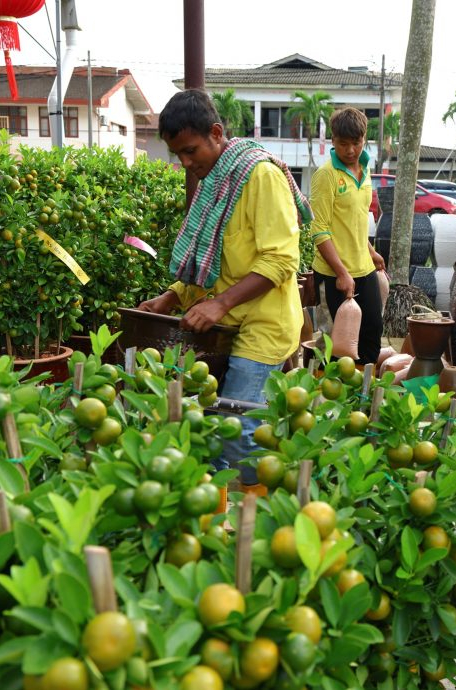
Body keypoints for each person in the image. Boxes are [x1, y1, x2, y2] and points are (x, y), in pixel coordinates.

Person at [138, 89, 310, 492]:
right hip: (226, 326)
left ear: (216, 133)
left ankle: (252, 519)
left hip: (264, 325)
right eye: (177, 154)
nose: (185, 162)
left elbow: (281, 261)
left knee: (238, 430)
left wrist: (220, 304)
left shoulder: (260, 177)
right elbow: (211, 256)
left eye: (190, 150)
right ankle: (222, 515)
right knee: (214, 428)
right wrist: (175, 294)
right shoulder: (217, 180)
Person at [309, 107, 386, 366]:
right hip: (333, 275)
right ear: (333, 140)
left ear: (364, 139)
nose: (351, 150)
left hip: (363, 269)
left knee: (372, 333)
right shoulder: (326, 175)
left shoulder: (364, 171)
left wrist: (371, 251)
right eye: (344, 144)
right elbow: (319, 229)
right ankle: (333, 400)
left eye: (356, 143)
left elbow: (354, 222)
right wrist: (341, 272)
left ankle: (363, 399)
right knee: (338, 346)